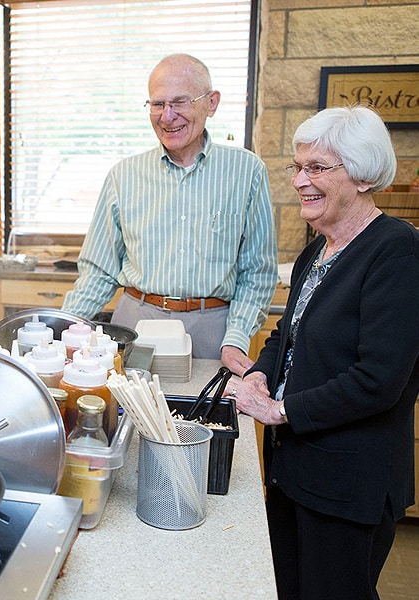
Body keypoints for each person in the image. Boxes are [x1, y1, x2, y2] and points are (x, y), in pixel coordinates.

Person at [226, 105, 419, 600]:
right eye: (297, 167)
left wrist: (280, 410)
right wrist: (258, 376)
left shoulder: (397, 251)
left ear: (361, 174)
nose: (299, 181)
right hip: (296, 468)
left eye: (317, 167)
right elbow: (285, 337)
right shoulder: (319, 248)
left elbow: (378, 380)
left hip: (348, 481)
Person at [61, 53, 277, 376]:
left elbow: (258, 272)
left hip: (214, 333)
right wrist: (62, 330)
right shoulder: (124, 176)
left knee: (198, 425)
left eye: (180, 102)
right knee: (125, 422)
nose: (167, 116)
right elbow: (98, 272)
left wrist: (236, 337)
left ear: (212, 103)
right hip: (135, 324)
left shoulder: (247, 172)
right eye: (157, 104)